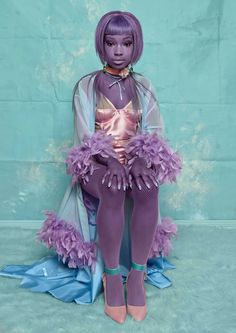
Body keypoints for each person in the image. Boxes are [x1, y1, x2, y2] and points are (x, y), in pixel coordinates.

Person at [0, 11, 182, 324]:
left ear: (135, 46)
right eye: (111, 43)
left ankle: (136, 276)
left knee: (148, 185)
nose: (119, 50)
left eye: (126, 43)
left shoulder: (145, 86)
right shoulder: (86, 86)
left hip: (134, 159)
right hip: (97, 163)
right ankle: (112, 276)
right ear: (101, 45)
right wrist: (110, 159)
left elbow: (154, 131)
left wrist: (140, 158)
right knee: (112, 186)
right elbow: (85, 135)